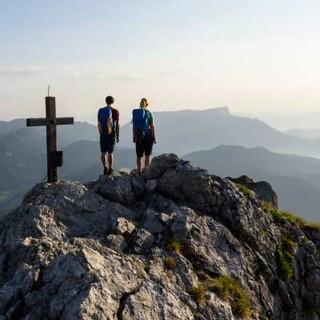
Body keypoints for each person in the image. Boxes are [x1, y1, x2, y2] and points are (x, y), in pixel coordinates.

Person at [132, 98, 156, 174]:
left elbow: (134, 126)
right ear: (147, 104)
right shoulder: (149, 113)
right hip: (148, 136)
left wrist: (134, 137)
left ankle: (139, 171)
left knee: (139, 156)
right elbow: (152, 126)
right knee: (148, 155)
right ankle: (146, 171)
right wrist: (154, 138)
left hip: (139, 135)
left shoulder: (136, 113)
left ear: (140, 104)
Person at [97, 96, 120, 175]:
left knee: (103, 153)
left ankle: (105, 168)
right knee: (110, 152)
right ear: (112, 102)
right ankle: (110, 169)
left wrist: (101, 133)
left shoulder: (101, 111)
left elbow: (99, 123)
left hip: (103, 133)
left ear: (106, 101)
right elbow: (117, 125)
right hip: (111, 134)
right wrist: (117, 136)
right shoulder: (115, 111)